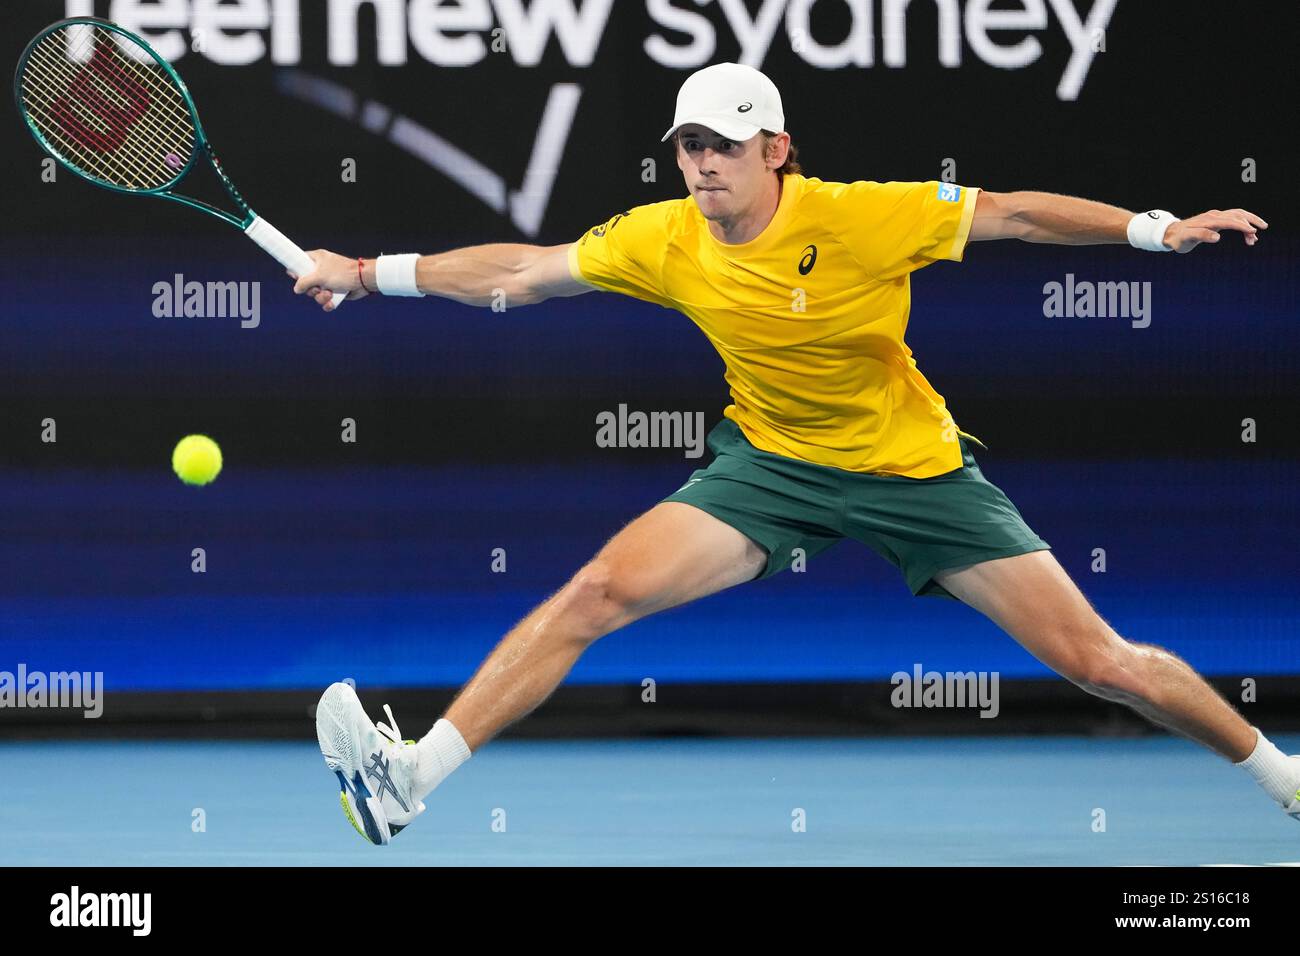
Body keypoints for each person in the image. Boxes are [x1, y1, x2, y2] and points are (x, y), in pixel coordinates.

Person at [296, 63, 1290, 847]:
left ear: (776, 149)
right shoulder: (663, 235)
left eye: (723, 145)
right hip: (768, 467)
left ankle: (1285, 780)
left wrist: (1155, 231)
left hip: (914, 472)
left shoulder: (859, 215)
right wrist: (368, 273)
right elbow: (519, 272)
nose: (701, 163)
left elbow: (1014, 213)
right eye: (688, 145)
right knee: (598, 592)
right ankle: (411, 778)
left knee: (1098, 661)